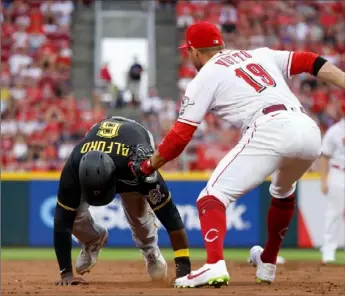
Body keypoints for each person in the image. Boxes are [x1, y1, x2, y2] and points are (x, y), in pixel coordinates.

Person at [129, 21, 345, 288]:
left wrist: (149, 166)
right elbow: (311, 61)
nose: (189, 55)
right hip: (308, 130)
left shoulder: (205, 76)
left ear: (195, 51)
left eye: (189, 51)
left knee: (211, 197)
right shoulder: (259, 54)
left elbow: (180, 137)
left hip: (270, 127)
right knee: (283, 190)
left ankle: (214, 265)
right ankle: (267, 262)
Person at [54, 116, 191, 285]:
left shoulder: (139, 168)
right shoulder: (73, 167)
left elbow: (171, 217)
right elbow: (62, 222)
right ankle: (93, 239)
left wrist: (183, 268)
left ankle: (150, 250)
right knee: (72, 214)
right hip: (106, 148)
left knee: (139, 219)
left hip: (132, 146)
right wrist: (66, 273)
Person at [320, 102, 345, 264]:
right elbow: (325, 156)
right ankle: (328, 250)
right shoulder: (335, 131)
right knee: (334, 213)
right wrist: (323, 179)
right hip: (338, 172)